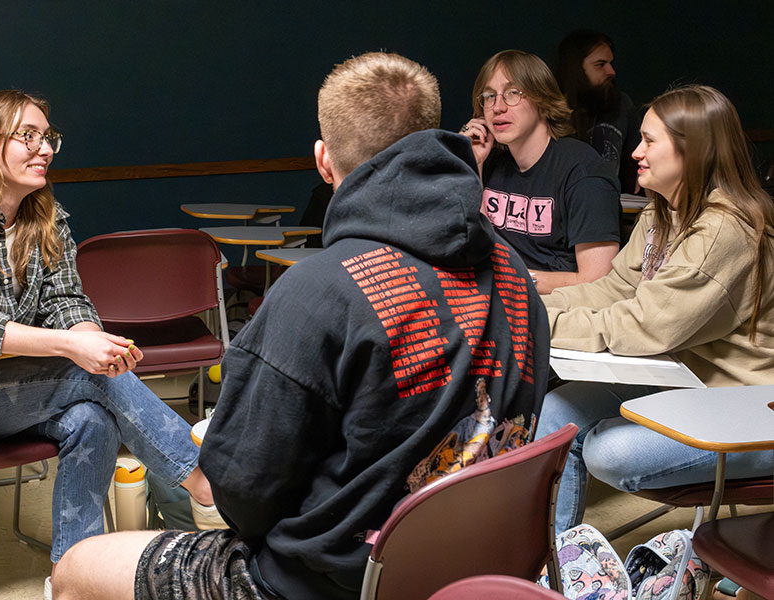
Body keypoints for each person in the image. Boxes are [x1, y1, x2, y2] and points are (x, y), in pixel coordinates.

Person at [54, 52, 550, 600]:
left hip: (328, 584)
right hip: (468, 564)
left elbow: (239, 495)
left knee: (76, 568)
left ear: (323, 160)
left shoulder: (319, 290)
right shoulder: (512, 269)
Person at [0, 90, 219, 595]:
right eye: (28, 136)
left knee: (92, 412)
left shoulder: (46, 217)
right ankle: (204, 487)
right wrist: (70, 349)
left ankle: (72, 576)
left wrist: (93, 341)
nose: (44, 148)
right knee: (79, 369)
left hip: (17, 392)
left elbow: (68, 303)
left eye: (48, 138)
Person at [533, 84, 774, 532]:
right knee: (557, 413)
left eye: (648, 141)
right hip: (685, 379)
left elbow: (643, 326)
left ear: (693, 151)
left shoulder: (724, 232)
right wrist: (531, 305)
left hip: (750, 404)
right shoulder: (662, 213)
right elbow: (614, 290)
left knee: (609, 451)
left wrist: (539, 324)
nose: (635, 152)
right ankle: (550, 571)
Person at [460, 50, 621, 294]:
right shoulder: (488, 161)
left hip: (557, 307)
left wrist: (511, 279)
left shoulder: (584, 172)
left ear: (543, 102)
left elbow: (597, 281)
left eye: (513, 93)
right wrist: (472, 165)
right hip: (494, 297)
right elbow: (470, 246)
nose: (498, 107)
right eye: (489, 96)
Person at [555, 30, 642, 194]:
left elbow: (635, 160)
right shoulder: (551, 109)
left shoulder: (622, 105)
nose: (611, 71)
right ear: (576, 68)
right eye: (600, 64)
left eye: (610, 63)